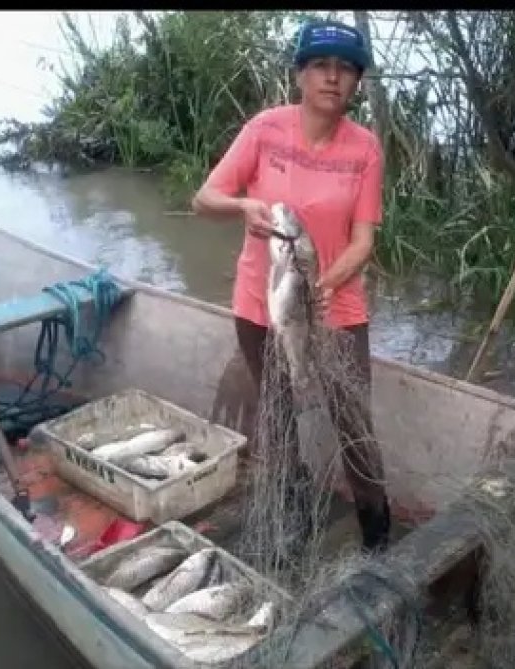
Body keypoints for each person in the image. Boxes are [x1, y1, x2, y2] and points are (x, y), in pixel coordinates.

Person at [191, 19, 391, 553]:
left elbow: (364, 241)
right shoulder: (264, 130)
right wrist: (242, 206)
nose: (333, 78)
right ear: (300, 74)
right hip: (261, 306)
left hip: (336, 306)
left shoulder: (365, 148)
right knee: (278, 419)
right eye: (321, 66)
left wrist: (319, 283)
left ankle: (378, 533)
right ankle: (295, 514)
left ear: (355, 83)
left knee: (355, 427)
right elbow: (204, 199)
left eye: (346, 69)